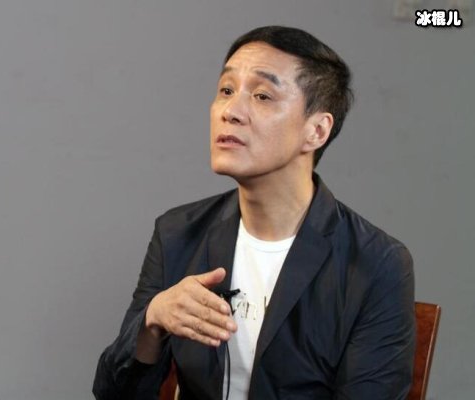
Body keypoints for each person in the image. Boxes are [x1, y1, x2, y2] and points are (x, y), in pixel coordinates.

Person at [93, 26, 415, 400]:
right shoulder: (178, 234)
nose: (230, 111)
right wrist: (152, 320)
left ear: (316, 130)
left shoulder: (376, 264)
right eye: (226, 90)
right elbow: (114, 394)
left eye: (262, 95)